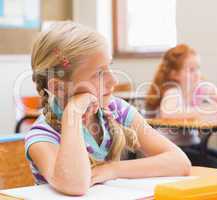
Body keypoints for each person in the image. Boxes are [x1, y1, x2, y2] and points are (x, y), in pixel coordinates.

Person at [25, 22, 191, 196]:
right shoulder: (42, 136)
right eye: (98, 74)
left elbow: (180, 162)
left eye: (109, 67)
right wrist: (72, 113)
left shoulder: (117, 109)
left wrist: (112, 169)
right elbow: (75, 185)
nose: (114, 81)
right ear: (59, 88)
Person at [146, 44, 217, 171]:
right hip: (172, 148)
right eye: (191, 70)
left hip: (193, 144)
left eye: (198, 68)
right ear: (174, 74)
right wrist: (202, 111)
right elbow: (168, 113)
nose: (197, 74)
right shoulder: (173, 90)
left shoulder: (201, 88)